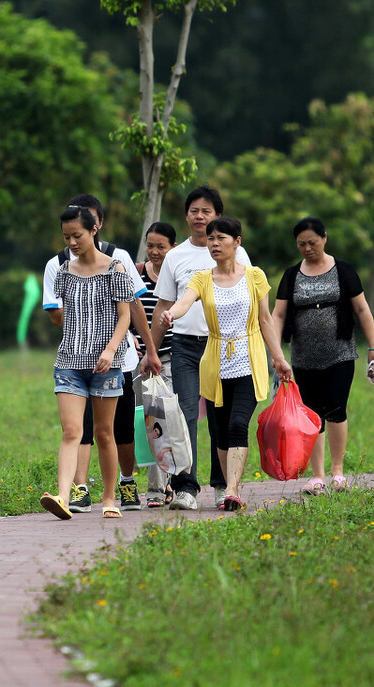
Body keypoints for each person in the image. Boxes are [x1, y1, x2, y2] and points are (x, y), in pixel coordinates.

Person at [158, 217, 292, 511]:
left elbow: (265, 319)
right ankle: (226, 488)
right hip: (215, 364)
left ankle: (231, 488)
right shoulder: (202, 278)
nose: (215, 244)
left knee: (237, 423)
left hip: (248, 360)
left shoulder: (255, 276)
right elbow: (184, 301)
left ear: (237, 242)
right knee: (219, 430)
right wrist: (172, 315)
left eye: (221, 238)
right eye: (210, 239)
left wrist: (279, 359)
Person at [42, 194, 161, 513]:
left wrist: (116, 350)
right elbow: (59, 314)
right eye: (66, 237)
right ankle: (64, 496)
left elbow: (127, 314)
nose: (71, 242)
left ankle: (111, 497)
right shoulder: (63, 270)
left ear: (94, 230)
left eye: (76, 236)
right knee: (71, 432)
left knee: (106, 432)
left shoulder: (116, 267)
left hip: (108, 365)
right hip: (69, 363)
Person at [141, 186, 251, 511]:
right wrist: (151, 350)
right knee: (184, 415)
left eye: (206, 211)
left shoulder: (236, 253)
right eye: (194, 211)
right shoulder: (176, 256)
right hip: (186, 347)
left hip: (223, 349)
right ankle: (185, 487)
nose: (200, 216)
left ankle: (221, 485)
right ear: (186, 215)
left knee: (221, 418)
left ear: (218, 215)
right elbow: (165, 305)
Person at [271, 216, 374, 494]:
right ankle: (317, 476)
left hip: (340, 353)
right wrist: (276, 354)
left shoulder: (343, 270)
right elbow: (279, 314)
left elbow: (362, 310)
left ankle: (337, 473)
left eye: (312, 242)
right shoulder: (292, 274)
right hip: (302, 357)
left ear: (324, 238)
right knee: (312, 414)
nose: (307, 248)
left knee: (336, 409)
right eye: (301, 244)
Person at [133, 221, 176, 507]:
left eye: (161, 246)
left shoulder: (176, 276)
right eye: (151, 245)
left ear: (173, 247)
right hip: (138, 362)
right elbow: (121, 309)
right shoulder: (137, 273)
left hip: (170, 359)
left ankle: (158, 490)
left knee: (163, 420)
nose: (155, 251)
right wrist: (128, 338)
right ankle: (160, 485)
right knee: (146, 422)